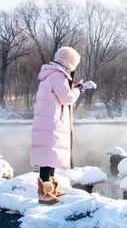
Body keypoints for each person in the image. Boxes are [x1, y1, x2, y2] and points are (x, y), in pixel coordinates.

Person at [31, 46, 96, 205]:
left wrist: (74, 86)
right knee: (48, 158)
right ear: (70, 63)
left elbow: (59, 93)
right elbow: (66, 98)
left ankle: (50, 190)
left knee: (50, 157)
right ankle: (45, 195)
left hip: (47, 121)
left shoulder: (50, 74)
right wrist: (80, 89)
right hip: (52, 122)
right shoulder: (58, 76)